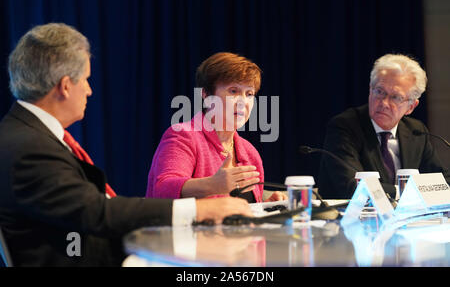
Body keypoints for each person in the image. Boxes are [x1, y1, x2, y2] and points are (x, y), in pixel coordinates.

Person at [0, 23, 252, 267]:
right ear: (65, 86)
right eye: (86, 80)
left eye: (249, 94)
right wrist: (198, 210)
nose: (89, 90)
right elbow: (97, 211)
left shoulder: (29, 135)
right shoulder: (28, 147)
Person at [146, 52, 286, 202]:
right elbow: (162, 189)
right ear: (206, 94)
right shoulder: (184, 135)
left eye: (249, 94)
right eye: (233, 91)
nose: (243, 102)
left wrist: (266, 206)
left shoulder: (249, 152)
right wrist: (213, 185)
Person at [318, 54, 449, 199]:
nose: (384, 103)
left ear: (411, 106)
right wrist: (409, 193)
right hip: (350, 218)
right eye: (380, 92)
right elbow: (353, 186)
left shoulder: (416, 131)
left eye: (396, 97)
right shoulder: (344, 127)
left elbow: (441, 180)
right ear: (370, 90)